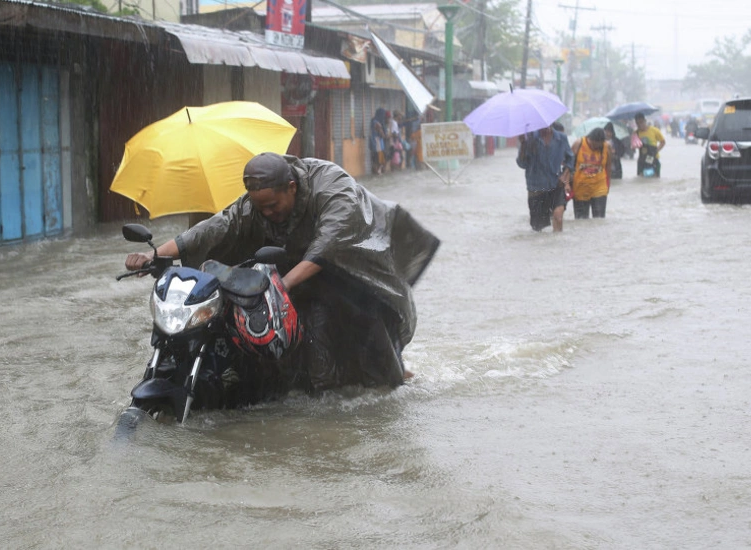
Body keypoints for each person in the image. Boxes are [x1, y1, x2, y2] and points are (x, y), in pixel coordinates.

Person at [125, 152, 440, 392]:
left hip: (355, 272)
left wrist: (280, 285)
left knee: (370, 349)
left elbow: (328, 246)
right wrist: (156, 254)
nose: (268, 214)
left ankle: (393, 378)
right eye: (260, 209)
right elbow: (218, 226)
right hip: (300, 272)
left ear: (292, 187)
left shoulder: (332, 187)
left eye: (273, 206)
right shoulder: (261, 201)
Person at [516, 124, 575, 232]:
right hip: (536, 188)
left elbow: (570, 159)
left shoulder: (561, 138)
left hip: (556, 185)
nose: (544, 127)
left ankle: (558, 244)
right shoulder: (529, 139)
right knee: (538, 229)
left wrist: (565, 174)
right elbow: (522, 164)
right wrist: (523, 145)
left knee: (558, 216)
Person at [571, 128, 612, 219]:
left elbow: (608, 166)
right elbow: (569, 164)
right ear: (591, 139)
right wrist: (567, 184)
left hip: (599, 187)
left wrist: (608, 184)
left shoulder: (606, 146)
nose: (596, 147)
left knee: (599, 219)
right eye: (595, 144)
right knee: (581, 220)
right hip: (580, 187)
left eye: (600, 144)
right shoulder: (579, 143)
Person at [634, 112, 665, 177]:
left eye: (641, 122)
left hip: (654, 159)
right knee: (641, 180)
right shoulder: (636, 133)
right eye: (637, 123)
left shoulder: (654, 130)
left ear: (645, 121)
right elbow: (634, 147)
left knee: (654, 180)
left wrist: (656, 150)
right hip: (642, 161)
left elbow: (663, 142)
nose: (640, 125)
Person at [368, 108, 387, 175]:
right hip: (378, 145)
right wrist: (384, 135)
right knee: (378, 161)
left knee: (376, 161)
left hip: (375, 144)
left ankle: (376, 173)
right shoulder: (377, 123)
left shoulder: (373, 121)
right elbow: (382, 134)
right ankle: (377, 173)